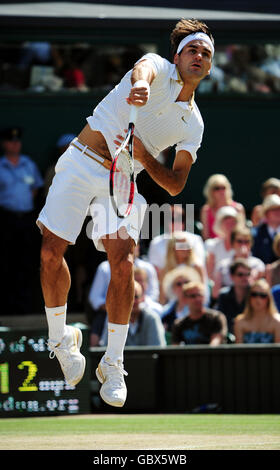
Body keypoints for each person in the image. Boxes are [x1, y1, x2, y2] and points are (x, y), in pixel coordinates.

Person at [36, 17, 215, 407]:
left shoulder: (194, 124)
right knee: (51, 252)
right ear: (178, 56)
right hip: (83, 161)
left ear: (210, 64)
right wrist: (139, 84)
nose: (199, 56)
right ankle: (61, 340)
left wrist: (143, 157)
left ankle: (112, 363)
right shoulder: (155, 67)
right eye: (193, 50)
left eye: (206, 53)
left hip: (124, 177)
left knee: (124, 261)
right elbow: (143, 69)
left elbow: (175, 184)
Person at [0, 126, 44, 314]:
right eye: (11, 141)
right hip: (5, 220)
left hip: (26, 220)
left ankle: (25, 306)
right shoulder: (0, 165)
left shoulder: (28, 164)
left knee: (27, 262)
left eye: (17, 141)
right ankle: (7, 307)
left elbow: (36, 188)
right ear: (4, 144)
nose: (15, 144)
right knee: (6, 262)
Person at [100, 281, 166, 348]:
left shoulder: (152, 319)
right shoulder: (114, 319)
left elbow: (157, 348)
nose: (132, 301)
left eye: (136, 297)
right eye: (128, 297)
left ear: (142, 298)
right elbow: (107, 348)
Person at [147, 204, 206, 278]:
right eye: (172, 219)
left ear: (184, 222)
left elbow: (199, 265)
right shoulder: (156, 242)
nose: (175, 223)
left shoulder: (195, 240)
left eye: (179, 219)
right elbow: (154, 271)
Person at [212, 225, 265, 299]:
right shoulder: (222, 265)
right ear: (233, 243)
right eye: (239, 241)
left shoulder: (257, 264)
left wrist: (242, 258)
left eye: (247, 242)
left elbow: (250, 283)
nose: (243, 245)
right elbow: (215, 293)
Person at [157, 230, 207, 303]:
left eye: (187, 245)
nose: (185, 249)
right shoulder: (165, 270)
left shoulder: (197, 267)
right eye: (181, 245)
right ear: (172, 248)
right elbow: (162, 298)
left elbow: (203, 293)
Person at [161, 265, 202, 341]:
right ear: (173, 288)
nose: (183, 286)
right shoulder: (165, 314)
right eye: (179, 284)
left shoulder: (200, 309)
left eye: (187, 282)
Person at [200, 173, 245, 240]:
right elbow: (206, 236)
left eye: (223, 187)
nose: (221, 191)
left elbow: (241, 232)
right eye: (217, 188)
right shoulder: (206, 210)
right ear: (211, 191)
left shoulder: (238, 208)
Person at [234, 279, 280, 343]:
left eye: (263, 295)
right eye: (254, 294)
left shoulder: (277, 322)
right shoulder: (240, 322)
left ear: (269, 299)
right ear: (249, 297)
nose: (258, 299)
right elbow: (238, 350)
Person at [215, 258, 252, 334]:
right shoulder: (223, 295)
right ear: (232, 276)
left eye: (247, 274)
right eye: (240, 275)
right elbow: (220, 321)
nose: (245, 278)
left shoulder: (256, 294)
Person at [204, 205, 240, 281]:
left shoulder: (243, 243)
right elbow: (208, 274)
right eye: (226, 222)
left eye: (233, 222)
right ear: (220, 224)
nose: (230, 225)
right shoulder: (211, 245)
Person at [252, 194, 280, 265]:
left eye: (279, 209)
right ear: (266, 213)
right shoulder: (255, 233)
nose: (277, 212)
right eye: (273, 209)